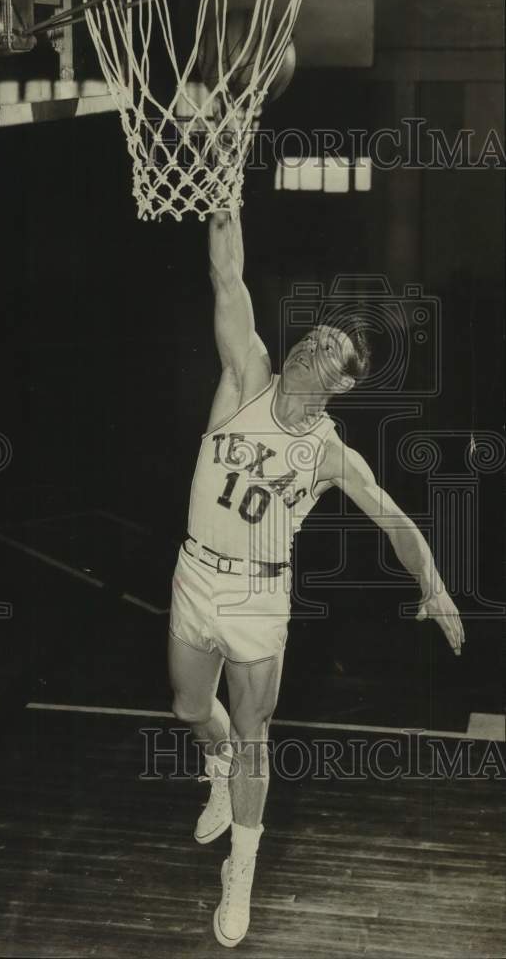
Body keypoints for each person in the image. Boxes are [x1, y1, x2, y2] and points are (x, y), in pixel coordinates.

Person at [168, 210, 465, 948]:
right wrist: (222, 195)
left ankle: (240, 874)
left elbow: (394, 519)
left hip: (259, 596)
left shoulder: (332, 456)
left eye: (331, 347)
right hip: (196, 573)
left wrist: (432, 584)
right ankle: (214, 766)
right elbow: (226, 275)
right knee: (187, 710)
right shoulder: (247, 377)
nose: (316, 341)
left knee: (253, 734)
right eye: (316, 334)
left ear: (338, 385)